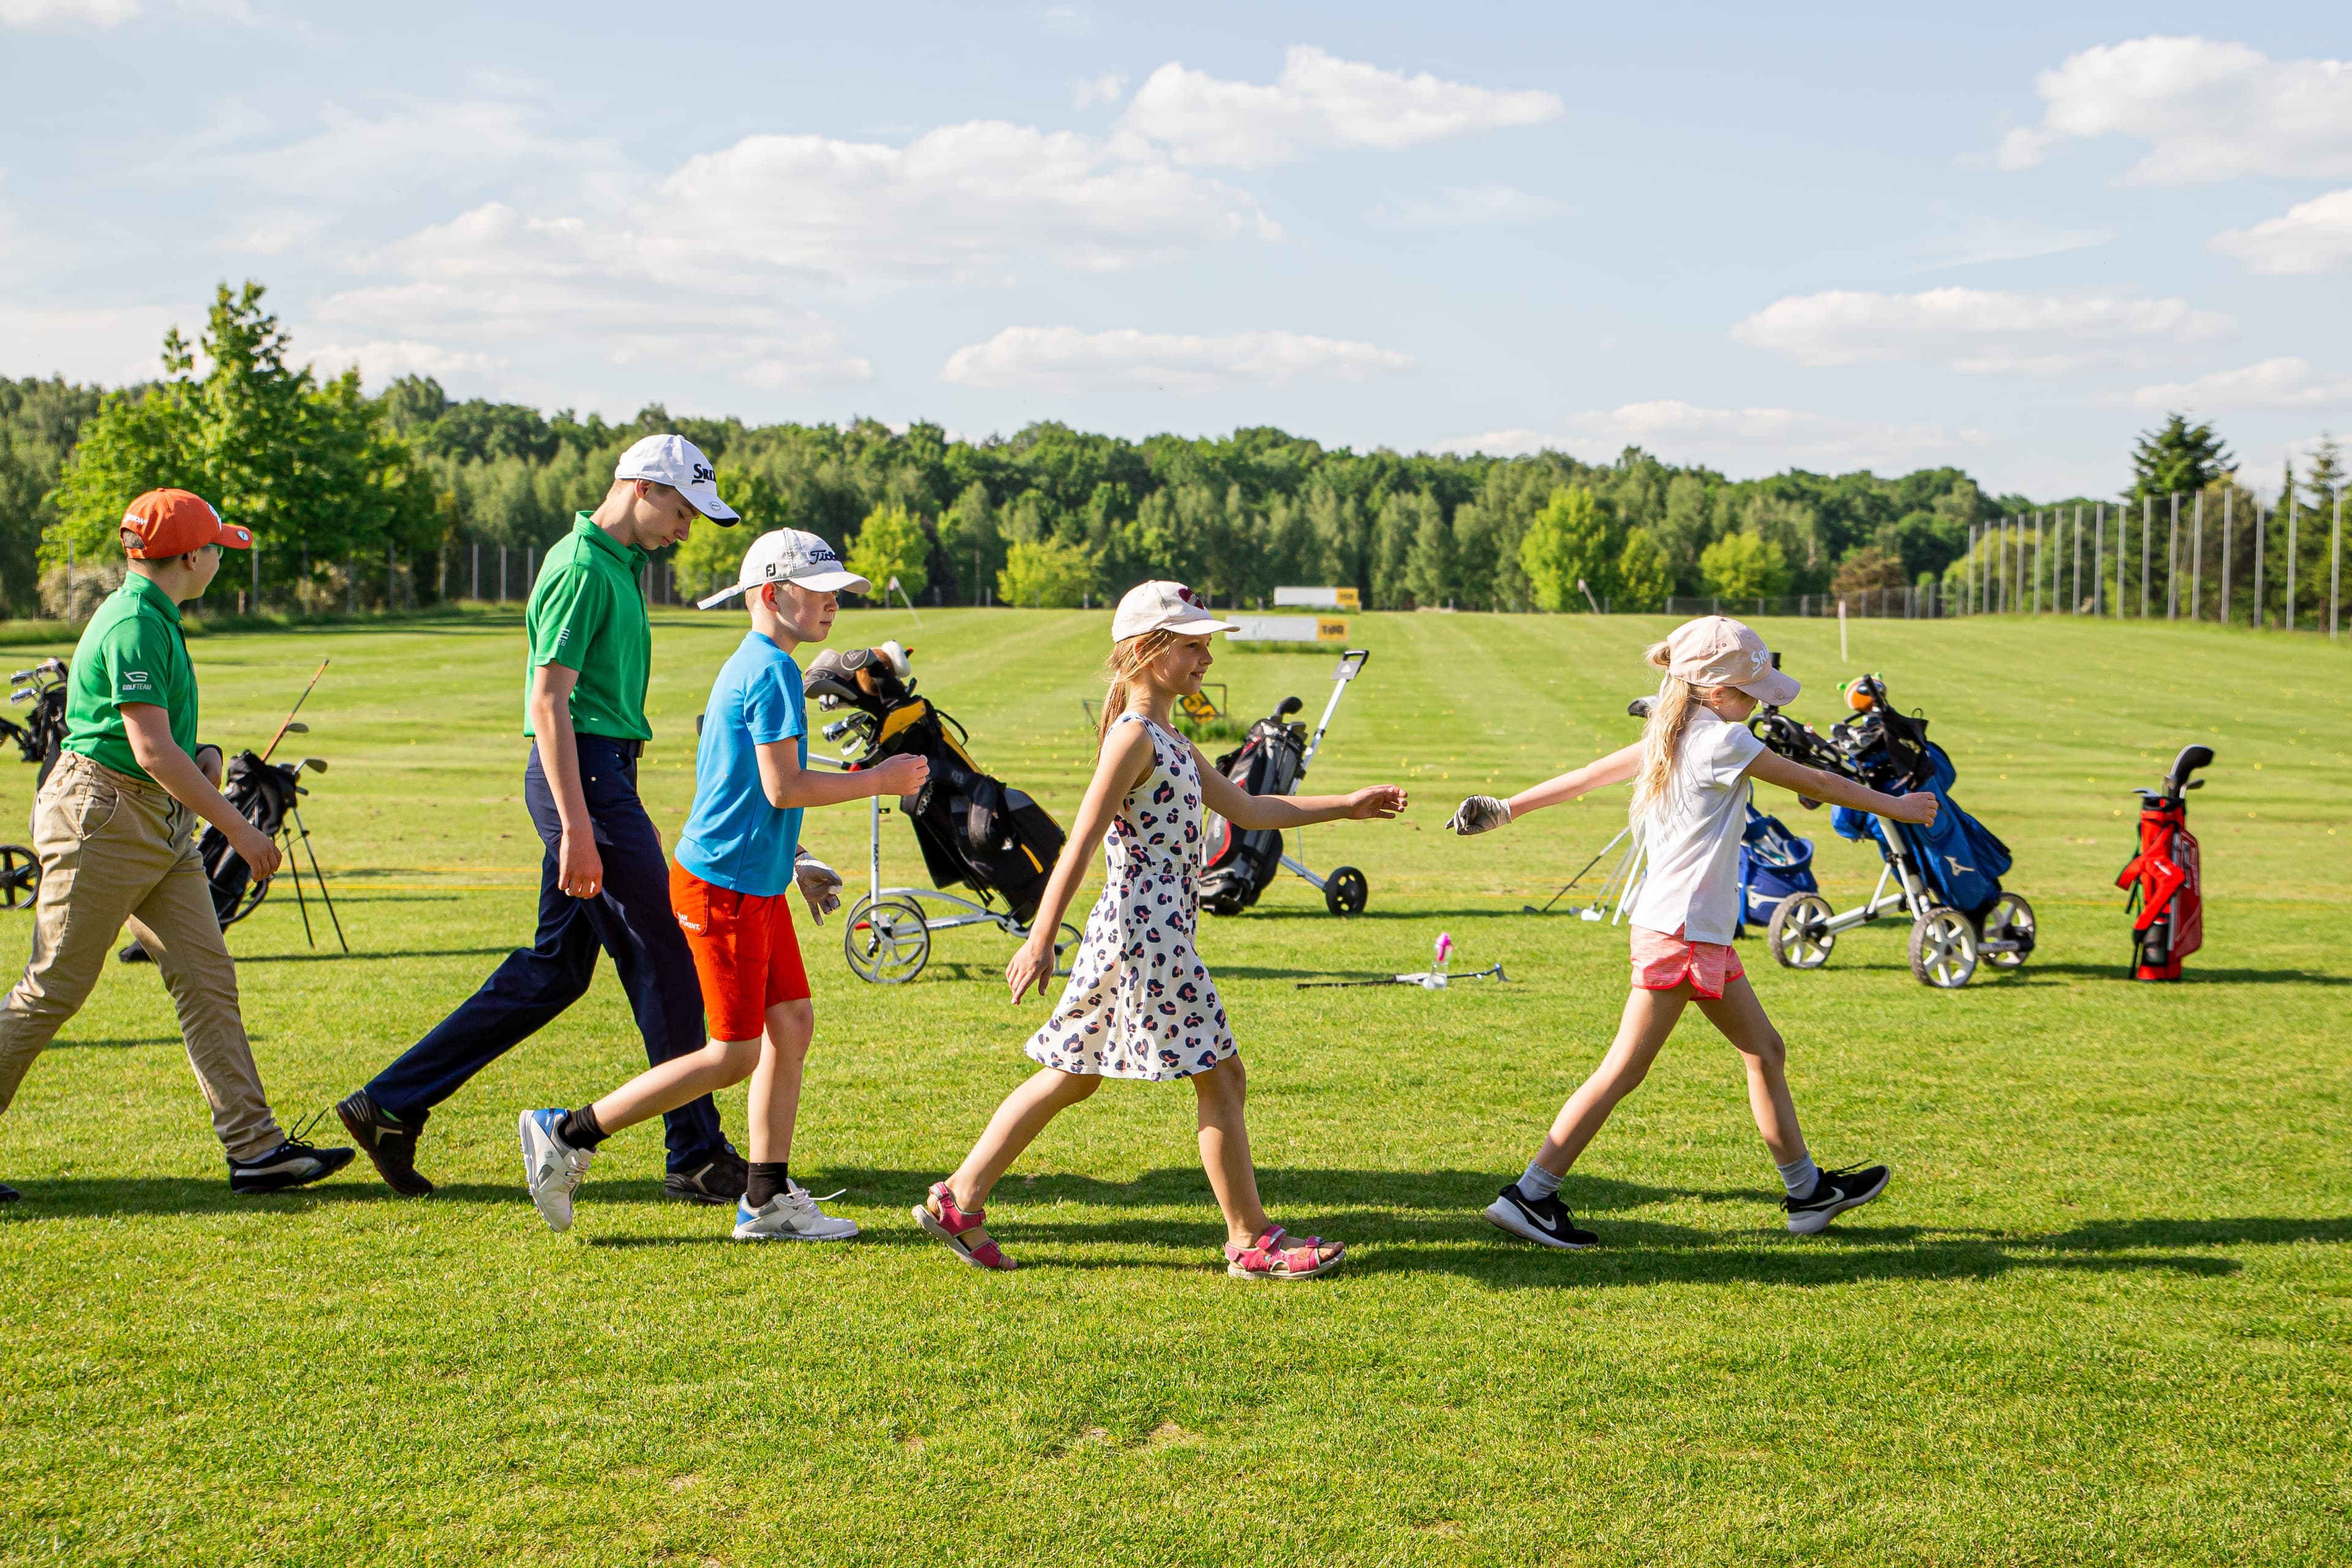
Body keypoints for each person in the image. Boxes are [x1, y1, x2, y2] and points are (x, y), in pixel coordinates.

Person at [913, 581, 1408, 1279]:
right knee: (1222, 1076)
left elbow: (1249, 807)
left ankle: (958, 1199)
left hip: (1148, 933)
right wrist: (1040, 936)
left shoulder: (1169, 738)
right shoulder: (1133, 740)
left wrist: (1347, 806)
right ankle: (1251, 1239)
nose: (1207, 654)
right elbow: (1079, 843)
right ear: (1145, 652)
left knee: (1072, 1077)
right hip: (1146, 940)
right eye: (1192, 643)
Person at [339, 435, 752, 1203]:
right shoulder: (582, 568)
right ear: (640, 489)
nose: (686, 530)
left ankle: (392, 1104)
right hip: (585, 780)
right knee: (665, 958)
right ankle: (695, 1154)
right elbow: (548, 703)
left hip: (600, 777)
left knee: (554, 971)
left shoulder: (616, 568)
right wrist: (579, 826)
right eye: (683, 511)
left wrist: (600, 812)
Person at [1448, 616, 1934, 1248]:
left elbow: (1588, 775)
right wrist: (1898, 806)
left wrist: (1508, 808)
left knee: (1765, 1049)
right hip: (1682, 934)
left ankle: (1807, 1192)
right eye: (1751, 689)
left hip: (1691, 931)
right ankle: (1529, 1195)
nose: (1760, 701)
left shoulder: (1673, 734)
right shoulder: (1721, 742)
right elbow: (1816, 781)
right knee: (1623, 1070)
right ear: (1716, 690)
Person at [516, 530, 922, 1240]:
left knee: (791, 1022)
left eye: (837, 594)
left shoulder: (768, 666)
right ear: (771, 594)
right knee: (731, 1054)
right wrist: (877, 781)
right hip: (723, 890)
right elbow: (783, 784)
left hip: (754, 883)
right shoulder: (768, 671)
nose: (833, 605)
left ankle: (765, 1198)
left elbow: (743, 791)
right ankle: (569, 1133)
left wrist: (794, 864)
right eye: (819, 592)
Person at [0, 489, 352, 1197]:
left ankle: (256, 1150)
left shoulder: (153, 613)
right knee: (54, 987)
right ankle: (255, 1147)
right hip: (103, 820)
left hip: (151, 819)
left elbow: (163, 746)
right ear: (193, 556)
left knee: (206, 976)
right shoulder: (134, 619)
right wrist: (241, 827)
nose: (222, 555)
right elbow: (150, 750)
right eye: (217, 546)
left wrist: (205, 755)